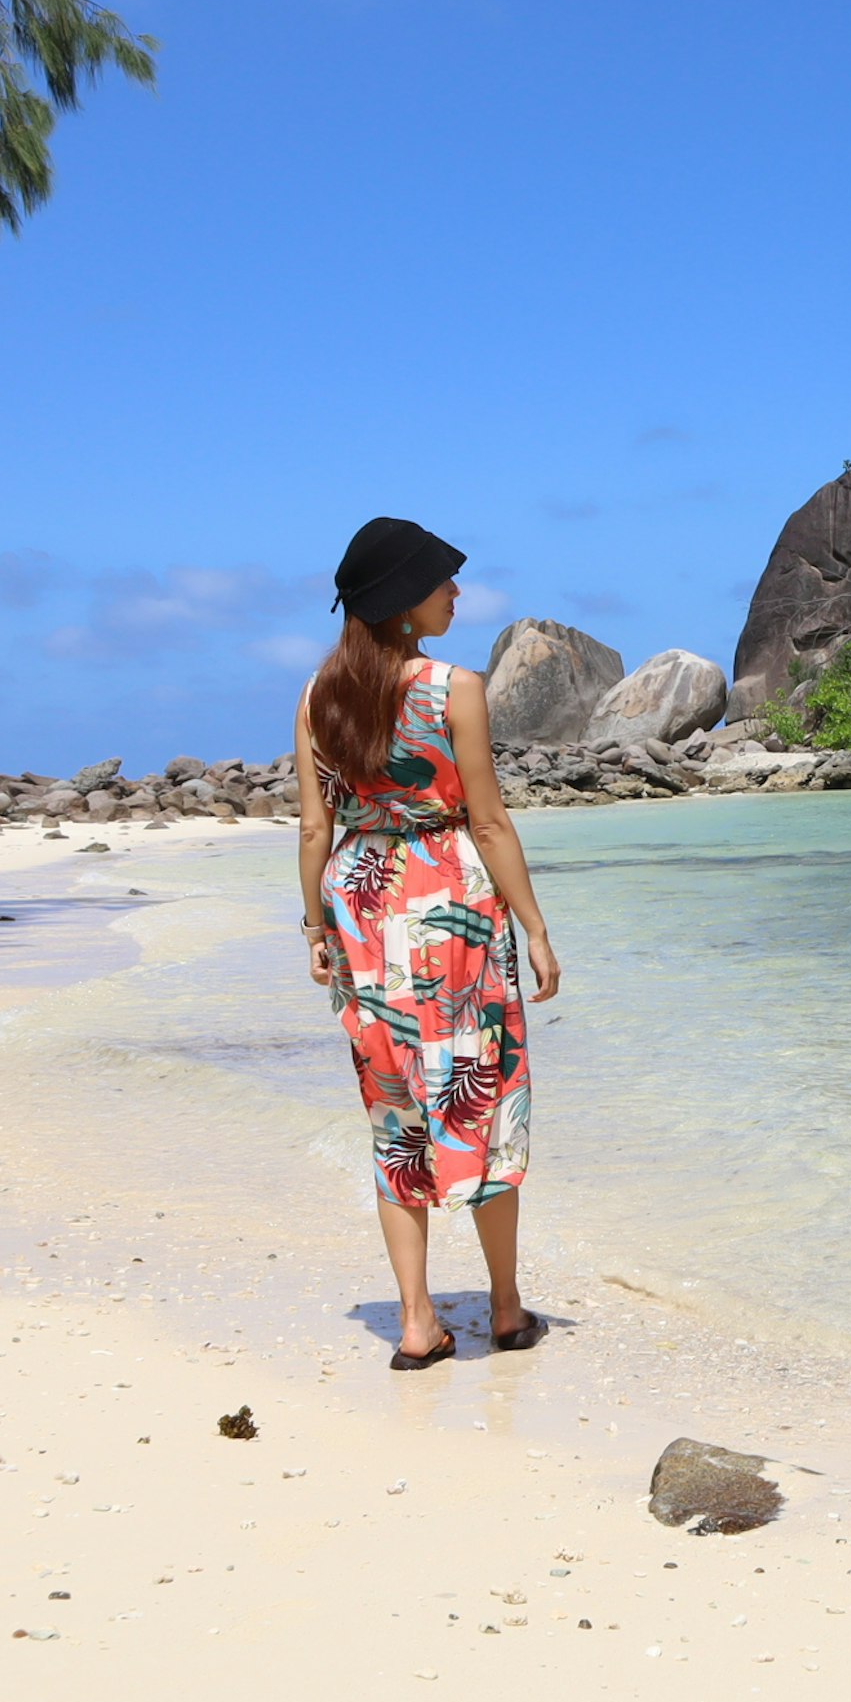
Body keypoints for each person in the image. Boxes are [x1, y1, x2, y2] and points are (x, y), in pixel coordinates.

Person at [293, 516, 564, 1368]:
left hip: (362, 912)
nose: (457, 593)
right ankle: (507, 1308)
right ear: (406, 601)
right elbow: (487, 821)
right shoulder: (456, 688)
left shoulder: (317, 697)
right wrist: (538, 925)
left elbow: (312, 828)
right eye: (444, 582)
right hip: (450, 908)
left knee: (397, 1118)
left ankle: (415, 1323)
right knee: (485, 1100)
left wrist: (314, 929)